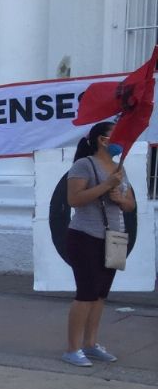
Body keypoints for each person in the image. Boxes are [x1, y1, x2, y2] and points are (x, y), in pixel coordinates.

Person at [62, 121, 137, 367]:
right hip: (86, 236)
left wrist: (119, 198)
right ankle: (73, 348)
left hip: (113, 238)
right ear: (102, 140)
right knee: (86, 293)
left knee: (100, 295)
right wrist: (105, 186)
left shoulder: (119, 169)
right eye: (116, 135)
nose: (121, 140)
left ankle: (91, 343)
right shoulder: (84, 165)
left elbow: (130, 205)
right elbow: (74, 199)